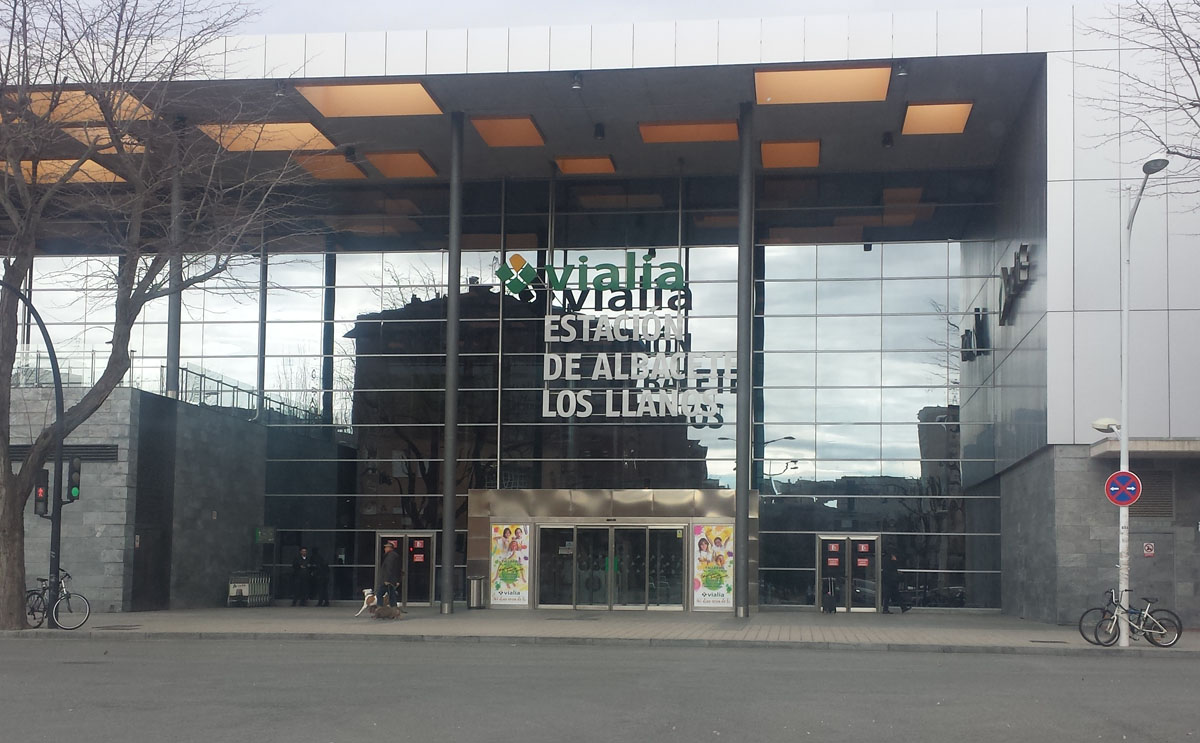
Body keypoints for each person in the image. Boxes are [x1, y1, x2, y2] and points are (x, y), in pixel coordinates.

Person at [379, 540, 403, 608]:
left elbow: (389, 569)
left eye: (386, 547)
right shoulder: (393, 556)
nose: (385, 549)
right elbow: (398, 569)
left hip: (388, 580)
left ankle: (380, 610)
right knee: (392, 596)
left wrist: (386, 580)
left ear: (390, 548)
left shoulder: (390, 556)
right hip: (392, 580)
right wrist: (398, 580)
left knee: (379, 594)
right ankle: (394, 610)